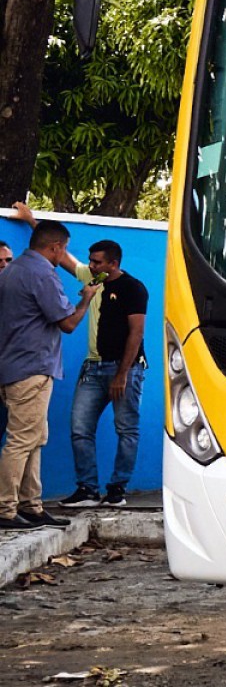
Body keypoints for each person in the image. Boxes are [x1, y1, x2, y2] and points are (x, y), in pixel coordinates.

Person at [0, 219, 100, 530]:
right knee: (21, 441)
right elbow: (67, 323)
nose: (63, 255)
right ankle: (5, 509)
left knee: (34, 438)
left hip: (13, 367)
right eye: (64, 249)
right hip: (32, 368)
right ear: (55, 247)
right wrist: (86, 299)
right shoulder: (41, 273)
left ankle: (32, 505)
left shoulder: (13, 270)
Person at [60, 240, 147, 509]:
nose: (92, 266)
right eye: (91, 261)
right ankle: (87, 489)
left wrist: (122, 373)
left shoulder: (133, 288)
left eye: (97, 262)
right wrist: (31, 221)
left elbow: (136, 333)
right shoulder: (92, 279)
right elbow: (59, 253)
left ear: (113, 263)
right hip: (93, 369)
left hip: (125, 369)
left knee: (126, 429)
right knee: (80, 428)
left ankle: (117, 489)